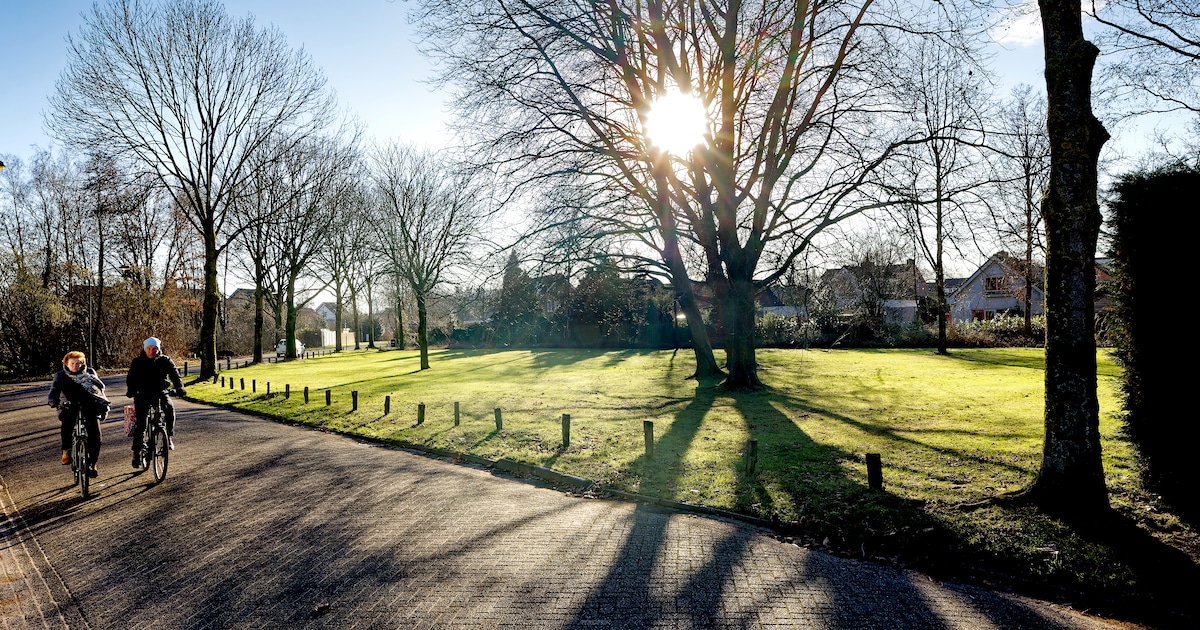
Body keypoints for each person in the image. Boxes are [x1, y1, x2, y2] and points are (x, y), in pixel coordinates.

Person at [126, 337, 185, 468]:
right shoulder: (137, 362)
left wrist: (179, 387)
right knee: (141, 423)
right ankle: (136, 452)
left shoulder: (165, 360)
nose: (152, 351)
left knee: (169, 408)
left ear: (158, 349)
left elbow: (174, 374)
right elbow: (131, 378)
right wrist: (131, 390)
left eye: (155, 349)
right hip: (142, 394)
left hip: (160, 391)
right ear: (144, 349)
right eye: (149, 349)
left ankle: (168, 436)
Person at [47, 351, 109, 478]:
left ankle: (92, 463)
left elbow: (98, 388)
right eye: (72, 363)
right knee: (67, 424)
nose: (75, 366)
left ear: (83, 363)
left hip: (89, 404)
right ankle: (66, 451)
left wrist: (101, 402)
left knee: (95, 433)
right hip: (68, 404)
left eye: (78, 363)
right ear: (66, 364)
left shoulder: (90, 373)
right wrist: (53, 401)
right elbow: (54, 390)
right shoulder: (60, 375)